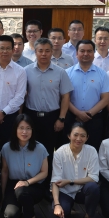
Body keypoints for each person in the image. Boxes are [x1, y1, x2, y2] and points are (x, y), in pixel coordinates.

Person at [23, 38, 72, 168]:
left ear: (51, 52)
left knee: (50, 151)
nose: (43, 54)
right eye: (40, 51)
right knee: (31, 149)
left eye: (47, 51)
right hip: (31, 116)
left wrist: (61, 118)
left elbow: (65, 97)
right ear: (35, 52)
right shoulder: (26, 71)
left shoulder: (60, 72)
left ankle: (49, 178)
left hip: (52, 117)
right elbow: (22, 95)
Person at [0, 115, 49, 218]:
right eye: (21, 128)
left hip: (34, 184)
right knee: (10, 214)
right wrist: (3, 195)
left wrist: (27, 182)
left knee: (22, 192)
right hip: (14, 184)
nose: (24, 132)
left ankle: (30, 217)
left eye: (28, 128)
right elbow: (5, 171)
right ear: (15, 129)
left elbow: (44, 172)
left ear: (32, 130)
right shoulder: (7, 148)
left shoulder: (40, 148)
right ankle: (22, 207)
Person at [51, 123, 100, 218]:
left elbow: (94, 178)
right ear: (69, 135)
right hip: (65, 190)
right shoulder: (59, 153)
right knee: (63, 212)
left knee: (94, 188)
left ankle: (88, 217)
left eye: (83, 136)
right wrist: (57, 204)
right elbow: (55, 180)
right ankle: (66, 207)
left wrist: (70, 180)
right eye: (75, 135)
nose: (78, 138)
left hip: (83, 190)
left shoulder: (91, 151)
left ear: (87, 138)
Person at [65, 40, 109, 148]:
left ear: (94, 53)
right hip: (72, 118)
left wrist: (89, 114)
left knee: (94, 149)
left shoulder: (102, 74)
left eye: (89, 51)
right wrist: (78, 113)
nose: (86, 54)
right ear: (76, 53)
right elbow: (64, 98)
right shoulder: (67, 73)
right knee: (71, 149)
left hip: (95, 120)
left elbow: (105, 99)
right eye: (82, 51)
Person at [0, 35, 27, 142]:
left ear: (13, 50)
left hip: (10, 117)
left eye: (8, 48)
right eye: (2, 48)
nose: (5, 51)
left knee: (9, 147)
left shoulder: (20, 71)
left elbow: (20, 96)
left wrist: (3, 112)